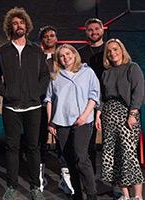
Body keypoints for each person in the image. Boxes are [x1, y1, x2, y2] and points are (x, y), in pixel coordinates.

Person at [0, 7, 50, 200]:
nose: (19, 26)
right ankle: (11, 187)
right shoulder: (2, 51)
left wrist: (37, 92)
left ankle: (35, 187)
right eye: (15, 23)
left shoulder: (36, 51)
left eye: (21, 22)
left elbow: (45, 76)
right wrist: (6, 93)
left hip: (33, 107)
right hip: (11, 107)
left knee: (33, 148)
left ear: (27, 26)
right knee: (12, 148)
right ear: (10, 27)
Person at [45, 44, 99, 200]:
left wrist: (85, 115)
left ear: (74, 54)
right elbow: (49, 100)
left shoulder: (87, 72)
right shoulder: (56, 76)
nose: (65, 57)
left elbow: (94, 95)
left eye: (68, 54)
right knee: (69, 159)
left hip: (83, 120)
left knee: (81, 157)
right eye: (61, 56)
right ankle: (77, 193)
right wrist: (50, 122)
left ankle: (91, 194)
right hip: (62, 122)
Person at [95, 38, 144, 200]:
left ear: (122, 50)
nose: (112, 53)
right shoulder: (106, 72)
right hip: (109, 115)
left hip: (127, 114)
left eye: (115, 49)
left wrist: (133, 114)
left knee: (129, 155)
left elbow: (138, 92)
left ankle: (137, 196)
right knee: (114, 156)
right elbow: (102, 95)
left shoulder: (132, 68)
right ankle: (125, 195)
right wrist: (98, 113)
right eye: (109, 51)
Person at [38, 25, 74, 195]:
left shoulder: (63, 59)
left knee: (63, 143)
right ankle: (39, 177)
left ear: (56, 38)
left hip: (61, 108)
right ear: (42, 40)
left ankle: (64, 178)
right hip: (40, 107)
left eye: (52, 35)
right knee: (40, 142)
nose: (49, 38)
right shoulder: (37, 58)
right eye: (45, 36)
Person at [78, 18, 105, 176]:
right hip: (87, 103)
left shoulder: (111, 49)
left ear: (102, 30)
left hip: (109, 101)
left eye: (96, 29)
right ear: (86, 32)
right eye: (90, 30)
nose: (94, 32)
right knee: (88, 144)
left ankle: (116, 182)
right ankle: (90, 179)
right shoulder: (80, 53)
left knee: (110, 143)